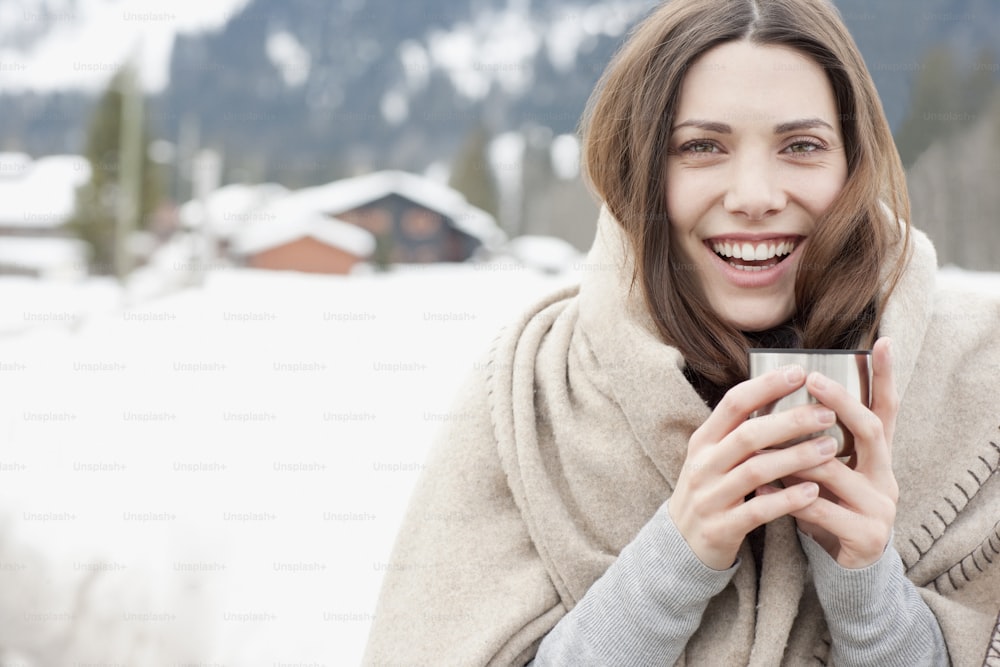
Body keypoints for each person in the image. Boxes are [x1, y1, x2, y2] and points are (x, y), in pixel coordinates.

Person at [363, 0, 1000, 664]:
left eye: (801, 145)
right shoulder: (532, 394)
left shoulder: (984, 377)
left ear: (853, 162)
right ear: (643, 172)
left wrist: (868, 590)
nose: (755, 195)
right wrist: (675, 556)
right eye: (702, 146)